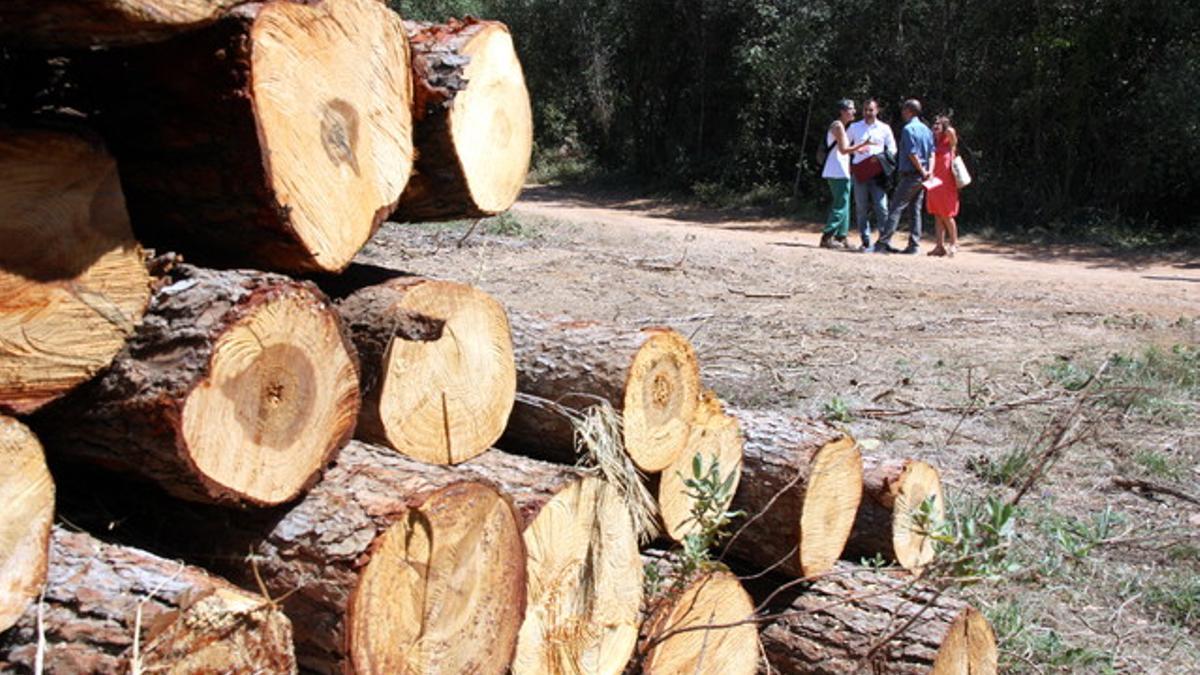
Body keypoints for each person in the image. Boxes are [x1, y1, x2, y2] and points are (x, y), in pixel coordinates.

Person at [876, 99, 934, 254]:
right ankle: (914, 245)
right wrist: (929, 172)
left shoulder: (908, 129)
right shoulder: (926, 130)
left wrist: (922, 171)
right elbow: (932, 153)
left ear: (909, 110)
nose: (902, 113)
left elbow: (912, 154)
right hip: (923, 176)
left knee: (895, 208)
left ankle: (883, 242)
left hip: (912, 175)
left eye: (903, 110)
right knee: (915, 210)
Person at [820, 99, 873, 249]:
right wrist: (861, 146)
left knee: (845, 203)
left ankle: (841, 236)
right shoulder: (837, 126)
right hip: (835, 170)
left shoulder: (842, 126)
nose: (854, 111)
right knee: (840, 203)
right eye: (851, 109)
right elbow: (844, 149)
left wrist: (858, 149)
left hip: (841, 170)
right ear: (842, 111)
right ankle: (827, 236)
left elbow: (844, 148)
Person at [847, 99, 897, 252]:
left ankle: (884, 241)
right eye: (866, 110)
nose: (868, 113)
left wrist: (880, 158)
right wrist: (856, 150)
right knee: (861, 207)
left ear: (877, 111)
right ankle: (866, 240)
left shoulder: (884, 128)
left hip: (878, 174)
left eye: (871, 110)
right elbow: (845, 146)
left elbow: (893, 149)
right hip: (860, 172)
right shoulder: (855, 127)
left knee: (882, 207)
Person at [925, 114, 961, 257]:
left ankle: (954, 243)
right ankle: (939, 246)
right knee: (937, 214)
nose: (935, 126)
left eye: (938, 124)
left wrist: (945, 126)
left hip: (947, 182)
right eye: (933, 124)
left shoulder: (948, 140)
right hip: (935, 181)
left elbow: (952, 134)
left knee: (947, 214)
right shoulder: (934, 141)